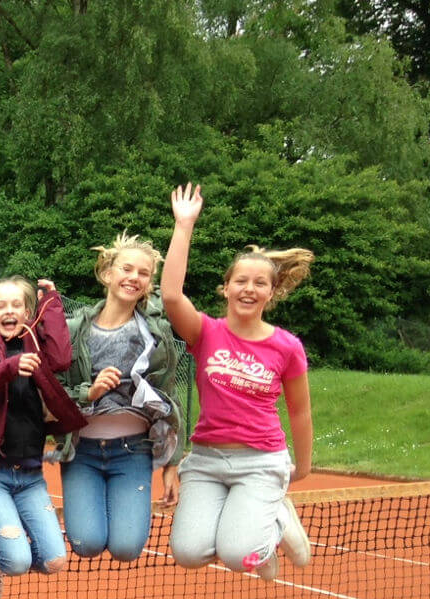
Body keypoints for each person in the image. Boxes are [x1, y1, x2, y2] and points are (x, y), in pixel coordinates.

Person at [160, 183, 314, 578]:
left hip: (261, 461)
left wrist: (303, 466)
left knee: (238, 555)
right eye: (241, 281)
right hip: (208, 460)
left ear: (272, 292)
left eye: (259, 283)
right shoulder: (205, 332)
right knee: (188, 554)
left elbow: (299, 409)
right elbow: (172, 296)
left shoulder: (287, 346)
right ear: (226, 287)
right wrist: (184, 226)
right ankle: (261, 524)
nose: (249, 289)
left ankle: (275, 518)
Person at [0, 276, 87, 599]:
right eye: (0, 305)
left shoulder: (36, 344)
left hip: (31, 477)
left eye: (17, 305)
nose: (9, 310)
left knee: (54, 561)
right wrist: (9, 368)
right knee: (16, 561)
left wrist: (52, 304)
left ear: (27, 312)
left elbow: (61, 359)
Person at [56, 234, 186, 562]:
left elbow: (169, 396)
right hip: (81, 451)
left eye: (143, 273)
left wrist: (172, 464)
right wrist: (91, 392)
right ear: (107, 274)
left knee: (127, 549)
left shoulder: (157, 333)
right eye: (126, 268)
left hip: (133, 451)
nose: (134, 277)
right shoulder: (73, 330)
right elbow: (54, 395)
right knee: (86, 544)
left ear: (149, 283)